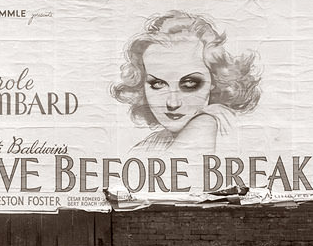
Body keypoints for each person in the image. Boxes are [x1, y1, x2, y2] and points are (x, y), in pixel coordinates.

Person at [111, 10, 262, 156]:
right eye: (157, 84)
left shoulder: (208, 122)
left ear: (214, 81)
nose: (172, 102)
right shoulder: (152, 144)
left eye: (190, 84)